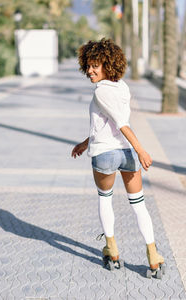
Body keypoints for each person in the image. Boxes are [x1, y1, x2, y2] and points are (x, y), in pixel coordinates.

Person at [71, 38, 164, 277]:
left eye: (95, 66)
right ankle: (153, 254)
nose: (90, 71)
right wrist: (84, 143)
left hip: (106, 154)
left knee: (105, 199)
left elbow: (121, 124)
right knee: (138, 204)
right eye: (88, 66)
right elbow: (105, 124)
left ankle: (112, 250)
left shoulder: (101, 91)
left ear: (107, 65)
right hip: (126, 153)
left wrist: (142, 149)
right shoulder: (121, 86)